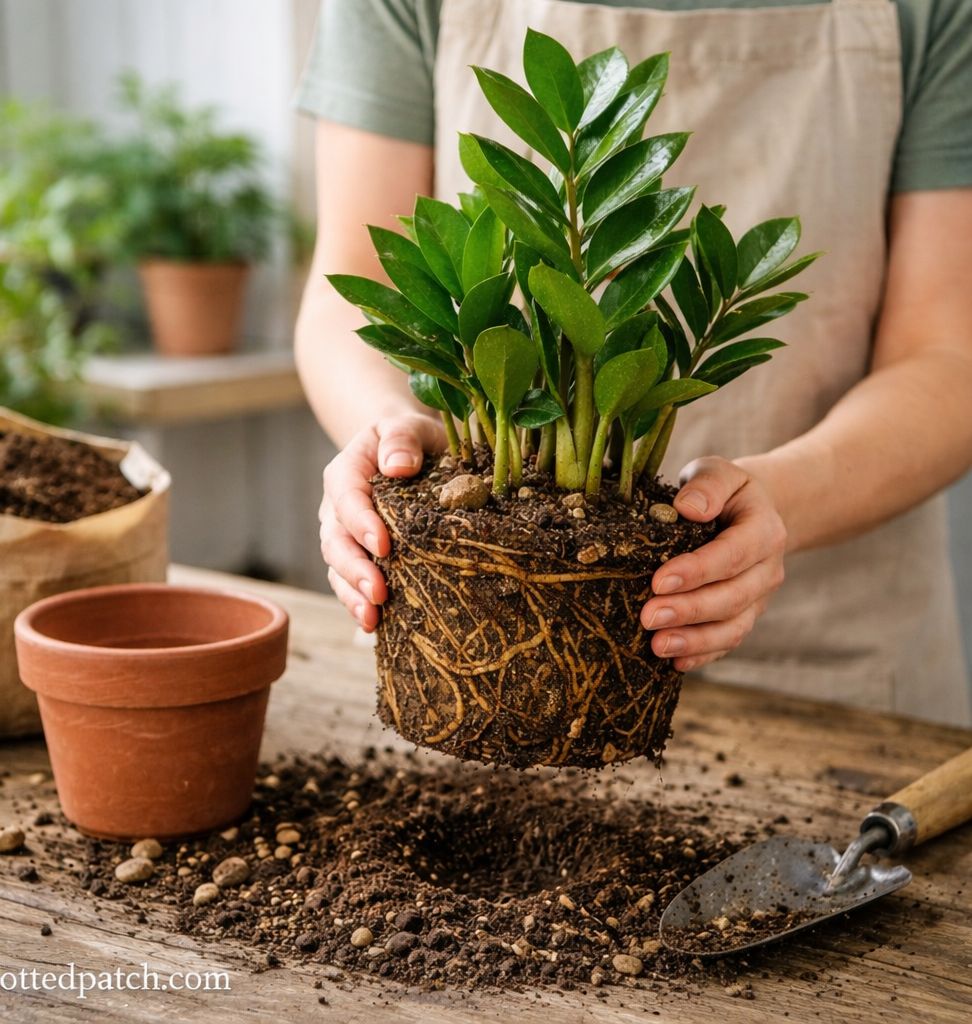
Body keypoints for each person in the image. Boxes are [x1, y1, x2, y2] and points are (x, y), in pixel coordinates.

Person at [294, 0, 972, 726]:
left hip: (839, 663)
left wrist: (787, 497)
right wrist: (390, 432)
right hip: (490, 668)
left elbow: (946, 353)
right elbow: (358, 288)